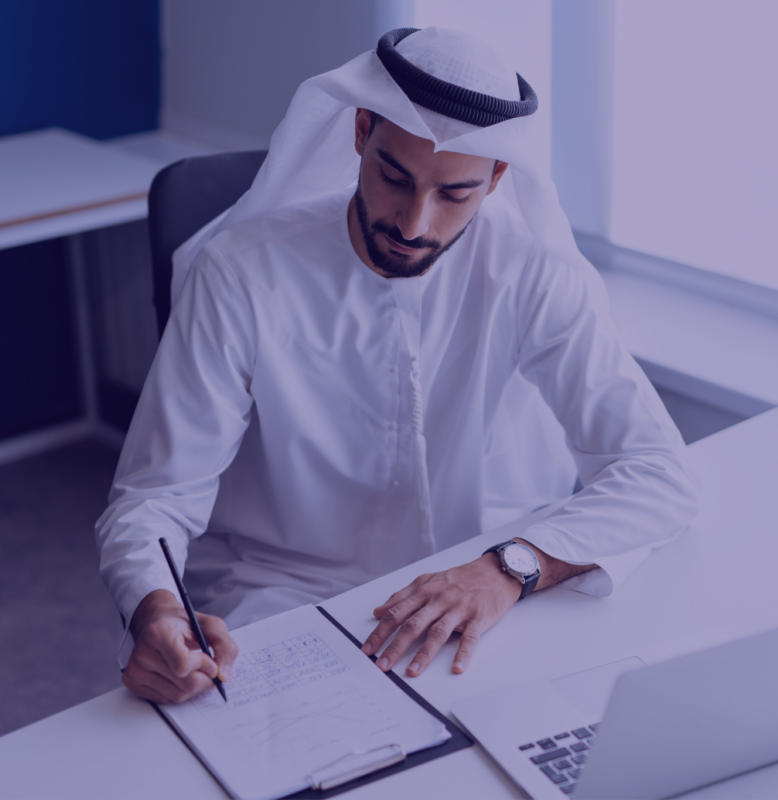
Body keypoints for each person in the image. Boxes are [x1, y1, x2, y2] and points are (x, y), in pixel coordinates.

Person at [97, 27, 699, 705]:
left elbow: (658, 472)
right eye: (394, 177)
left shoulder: (532, 271)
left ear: (497, 178)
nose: (414, 223)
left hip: (486, 592)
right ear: (361, 132)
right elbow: (153, 497)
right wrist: (156, 611)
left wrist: (509, 568)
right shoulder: (241, 273)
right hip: (290, 596)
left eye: (455, 194)